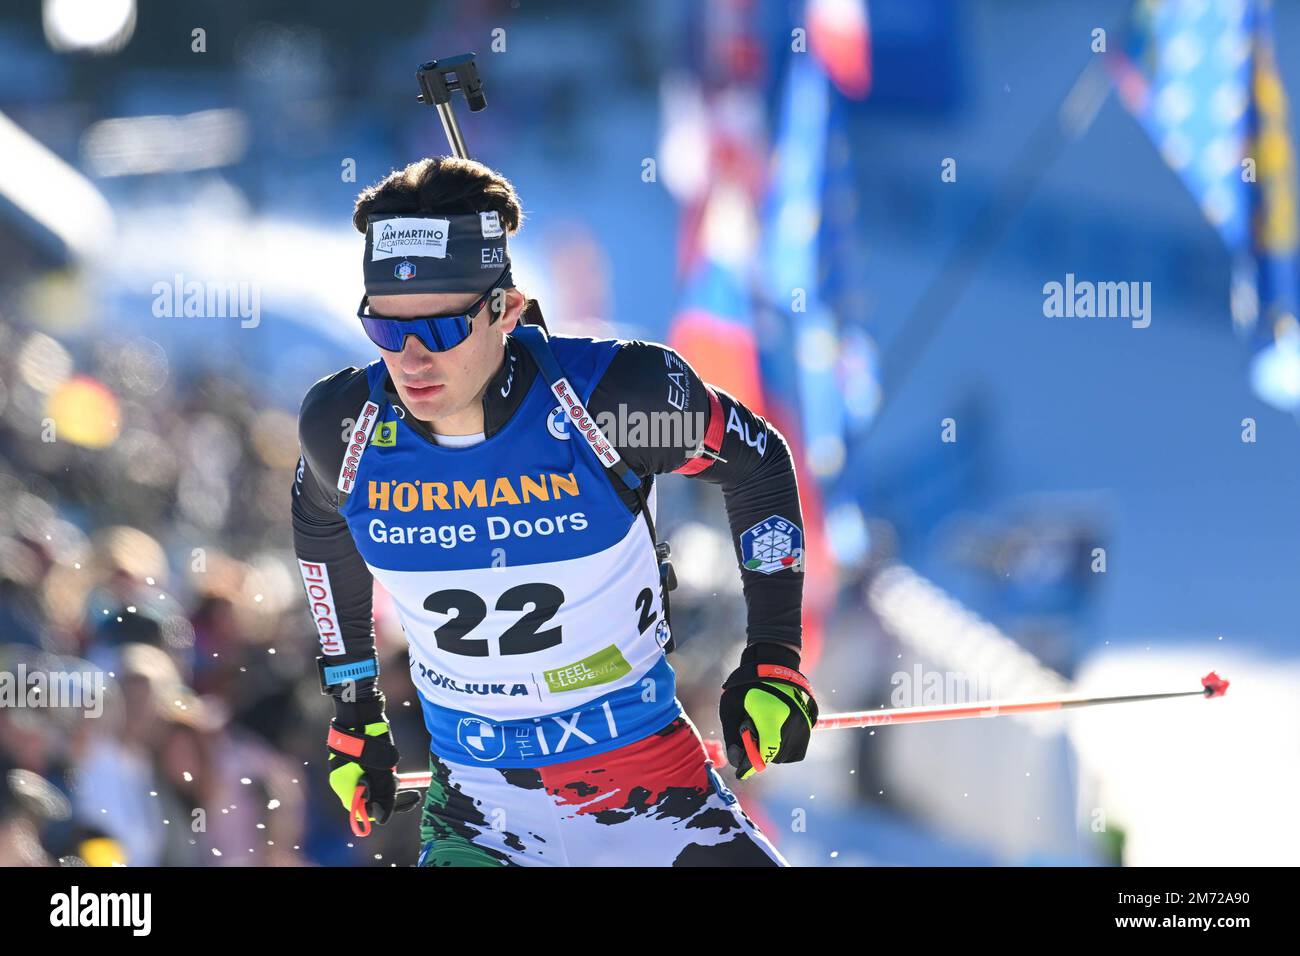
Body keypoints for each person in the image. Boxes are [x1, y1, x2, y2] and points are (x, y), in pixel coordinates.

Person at [291, 156, 817, 866]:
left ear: (505, 309)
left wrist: (774, 657)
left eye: (442, 331)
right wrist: (355, 712)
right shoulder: (345, 427)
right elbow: (321, 525)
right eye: (386, 330)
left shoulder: (617, 402)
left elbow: (756, 463)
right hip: (480, 817)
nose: (412, 360)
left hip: (656, 800)